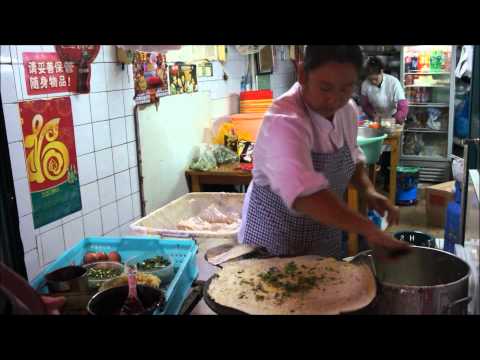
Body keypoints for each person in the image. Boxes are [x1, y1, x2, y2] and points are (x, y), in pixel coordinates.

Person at [238, 46, 409, 259]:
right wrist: (368, 228)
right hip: (272, 243)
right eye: (325, 88)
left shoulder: (347, 111)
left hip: (322, 238)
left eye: (346, 88)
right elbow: (305, 195)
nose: (335, 99)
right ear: (302, 75)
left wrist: (368, 191)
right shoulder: (284, 120)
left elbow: (353, 159)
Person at [360, 56, 409, 190]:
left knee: (389, 152)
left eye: (375, 79)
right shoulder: (365, 84)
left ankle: (389, 182)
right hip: (376, 118)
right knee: (375, 149)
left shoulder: (393, 83)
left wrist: (394, 119)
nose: (373, 82)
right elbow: (364, 105)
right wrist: (373, 115)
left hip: (392, 117)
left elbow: (403, 107)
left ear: (382, 72)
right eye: (371, 80)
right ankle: (374, 179)